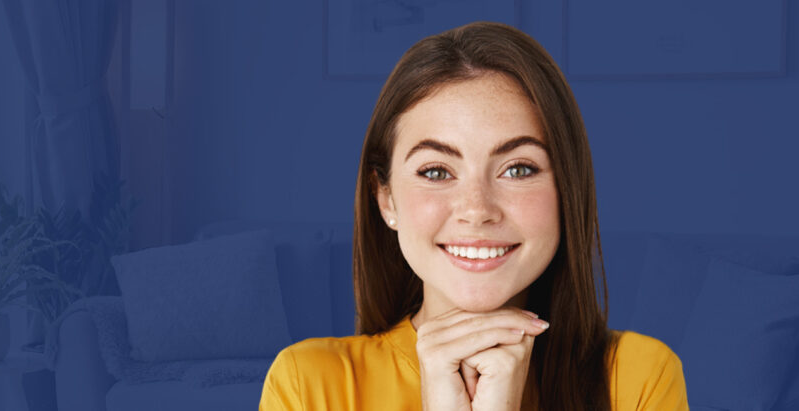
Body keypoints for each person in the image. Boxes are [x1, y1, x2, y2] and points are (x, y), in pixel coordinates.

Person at [260, 21, 689, 411]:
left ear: (567, 190)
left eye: (518, 169)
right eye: (436, 171)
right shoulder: (307, 385)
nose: (477, 210)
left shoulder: (636, 379)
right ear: (386, 199)